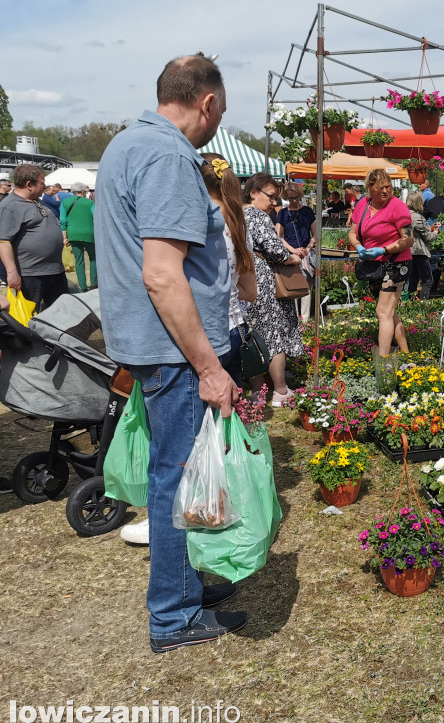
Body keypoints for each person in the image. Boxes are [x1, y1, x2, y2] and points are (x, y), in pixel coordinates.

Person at [94, 53, 244, 652]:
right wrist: (209, 367)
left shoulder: (128, 144)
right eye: (221, 113)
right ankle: (174, 616)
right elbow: (162, 274)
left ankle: (181, 586)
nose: (217, 126)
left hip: (152, 346)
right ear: (206, 102)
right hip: (175, 352)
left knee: (174, 473)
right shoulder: (168, 156)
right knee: (178, 480)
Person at [242, 172, 303, 407]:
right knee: (272, 333)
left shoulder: (235, 214)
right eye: (271, 196)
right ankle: (280, 390)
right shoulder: (257, 216)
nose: (274, 202)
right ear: (254, 192)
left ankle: (258, 391)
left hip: (244, 278)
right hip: (263, 278)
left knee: (251, 334)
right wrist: (292, 258)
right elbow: (274, 249)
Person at [201, 154, 257, 385]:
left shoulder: (198, 221)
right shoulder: (238, 224)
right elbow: (251, 291)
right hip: (235, 327)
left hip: (204, 331)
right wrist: (230, 290)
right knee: (230, 409)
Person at [347, 169, 414, 354]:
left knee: (383, 313)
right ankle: (407, 354)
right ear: (370, 188)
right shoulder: (362, 205)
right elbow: (352, 233)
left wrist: (384, 249)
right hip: (375, 266)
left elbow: (408, 239)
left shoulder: (397, 206)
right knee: (389, 313)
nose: (386, 191)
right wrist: (359, 247)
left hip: (396, 263)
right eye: (381, 187)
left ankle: (384, 361)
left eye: (388, 186)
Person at [0, 164, 68, 309]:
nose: (44, 187)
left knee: (62, 314)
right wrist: (12, 273)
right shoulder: (10, 206)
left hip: (54, 270)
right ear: (29, 184)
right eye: (42, 183)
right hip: (30, 274)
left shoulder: (38, 201)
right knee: (29, 318)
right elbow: (3, 241)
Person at [276, 183, 317, 321]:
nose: (294, 200)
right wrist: (293, 250)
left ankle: (305, 320)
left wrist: (308, 248)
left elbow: (316, 234)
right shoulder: (282, 213)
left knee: (306, 287)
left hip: (306, 254)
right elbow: (278, 236)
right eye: (290, 198)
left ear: (300, 197)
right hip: (291, 254)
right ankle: (293, 319)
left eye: (296, 197)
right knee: (292, 286)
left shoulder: (307, 211)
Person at [60, 182, 96, 291]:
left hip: (72, 234)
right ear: (82, 192)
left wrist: (64, 236)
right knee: (93, 258)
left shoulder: (65, 202)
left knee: (79, 261)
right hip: (89, 233)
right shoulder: (90, 203)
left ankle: (83, 286)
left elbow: (63, 221)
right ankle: (94, 283)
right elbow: (96, 217)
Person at [406, 190, 433, 300]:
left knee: (413, 280)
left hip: (408, 252)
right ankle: (423, 302)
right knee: (428, 281)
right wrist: (435, 232)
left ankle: (411, 302)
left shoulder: (405, 215)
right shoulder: (417, 217)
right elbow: (428, 237)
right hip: (419, 252)